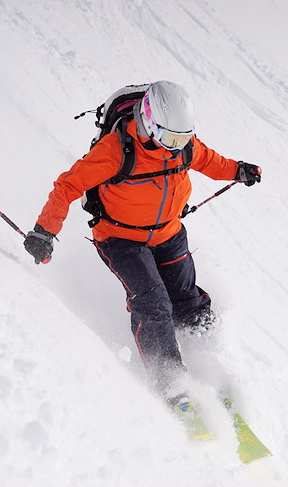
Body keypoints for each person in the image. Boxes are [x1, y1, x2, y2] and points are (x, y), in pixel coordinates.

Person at [23, 80, 261, 402]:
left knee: (188, 299)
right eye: (169, 138)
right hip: (121, 238)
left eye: (182, 138)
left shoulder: (184, 146)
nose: (175, 146)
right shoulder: (115, 151)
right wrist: (44, 231)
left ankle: (213, 365)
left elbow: (210, 161)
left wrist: (239, 170)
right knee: (153, 303)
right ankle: (170, 381)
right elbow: (67, 186)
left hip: (168, 233)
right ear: (149, 122)